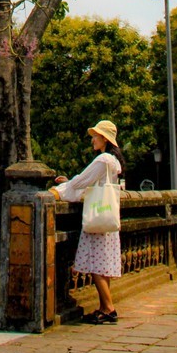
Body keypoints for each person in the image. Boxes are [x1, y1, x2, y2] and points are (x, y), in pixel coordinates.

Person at [49, 119, 125, 325]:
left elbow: (83, 181)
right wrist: (72, 182)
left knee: (95, 263)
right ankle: (103, 306)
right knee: (103, 264)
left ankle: (109, 308)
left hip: (97, 219)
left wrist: (65, 187)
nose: (93, 139)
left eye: (96, 136)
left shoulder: (103, 160)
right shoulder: (115, 162)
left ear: (104, 139)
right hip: (107, 217)